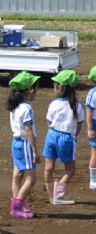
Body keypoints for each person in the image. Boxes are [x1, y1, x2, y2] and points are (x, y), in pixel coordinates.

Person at [43, 70, 84, 205]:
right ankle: (58, 195)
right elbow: (79, 126)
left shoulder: (53, 104)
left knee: (49, 168)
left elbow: (49, 122)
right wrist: (73, 137)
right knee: (70, 170)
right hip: (67, 138)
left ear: (60, 88)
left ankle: (51, 195)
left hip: (51, 135)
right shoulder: (77, 106)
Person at [6, 71, 41, 219]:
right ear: (30, 90)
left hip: (16, 143)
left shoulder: (15, 106)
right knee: (31, 178)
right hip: (25, 144)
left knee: (17, 175)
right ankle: (18, 206)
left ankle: (17, 204)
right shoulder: (26, 108)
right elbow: (28, 131)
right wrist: (35, 150)